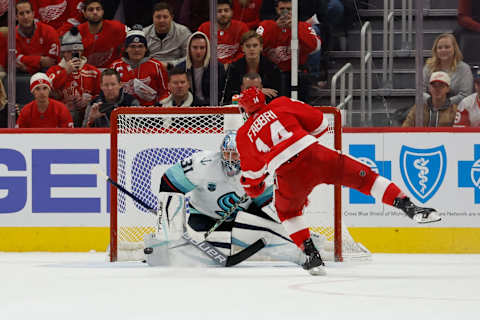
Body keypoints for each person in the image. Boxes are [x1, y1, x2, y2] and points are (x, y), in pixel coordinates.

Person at [236, 86, 441, 276]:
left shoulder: (244, 134)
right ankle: (410, 206)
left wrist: (259, 185)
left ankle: (312, 255)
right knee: (367, 179)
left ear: (244, 110)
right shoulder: (281, 103)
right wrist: (299, 140)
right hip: (317, 155)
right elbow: (321, 124)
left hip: (287, 174)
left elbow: (252, 182)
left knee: (287, 212)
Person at [148, 130, 324, 267]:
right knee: (195, 245)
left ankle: (302, 249)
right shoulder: (203, 164)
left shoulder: (258, 170)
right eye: (227, 154)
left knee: (269, 225)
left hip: (239, 220)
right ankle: (165, 243)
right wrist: (172, 227)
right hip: (203, 217)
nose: (231, 160)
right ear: (221, 152)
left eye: (235, 155)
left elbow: (272, 207)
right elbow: (169, 182)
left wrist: (287, 230)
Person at [256, 0, 320, 99]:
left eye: (289, 9)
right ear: (277, 10)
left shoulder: (304, 26)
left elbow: (314, 46)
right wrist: (275, 27)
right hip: (272, 74)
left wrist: (295, 29)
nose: (285, 12)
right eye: (282, 9)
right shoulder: (266, 25)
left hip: (297, 74)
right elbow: (256, 46)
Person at [47, 26, 101, 127]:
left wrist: (90, 100)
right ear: (63, 53)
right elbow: (47, 91)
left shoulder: (94, 72)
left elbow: (102, 96)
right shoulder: (53, 71)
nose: (73, 55)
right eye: (69, 52)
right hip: (60, 119)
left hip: (88, 118)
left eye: (76, 52)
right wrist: (66, 72)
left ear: (82, 51)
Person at [109, 26, 169, 106]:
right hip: (123, 112)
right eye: (133, 46)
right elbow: (108, 92)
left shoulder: (157, 66)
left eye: (140, 46)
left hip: (151, 111)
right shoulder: (115, 66)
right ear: (126, 49)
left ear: (146, 49)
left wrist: (158, 106)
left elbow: (165, 92)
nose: (137, 50)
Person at [224, 30, 281, 103]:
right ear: (242, 48)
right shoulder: (233, 68)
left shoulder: (272, 68)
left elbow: (275, 94)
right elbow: (230, 95)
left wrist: (247, 92)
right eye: (248, 46)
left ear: (261, 47)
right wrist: (258, 91)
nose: (251, 49)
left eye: (255, 45)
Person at [176, 31, 226, 106]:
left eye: (202, 48)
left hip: (212, 108)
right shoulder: (181, 68)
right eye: (195, 48)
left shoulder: (217, 68)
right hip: (188, 108)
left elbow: (219, 95)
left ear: (207, 49)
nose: (198, 51)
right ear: (189, 49)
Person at [423, 33, 473, 106]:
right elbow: (420, 92)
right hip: (431, 107)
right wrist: (431, 101)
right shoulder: (428, 67)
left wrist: (446, 102)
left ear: (454, 48)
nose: (443, 50)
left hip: (456, 108)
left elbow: (466, 95)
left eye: (447, 47)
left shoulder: (464, 68)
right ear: (435, 50)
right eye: (440, 48)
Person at [198, 0, 249, 67]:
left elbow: (245, 51)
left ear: (232, 12)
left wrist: (230, 64)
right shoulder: (204, 28)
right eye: (219, 11)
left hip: (235, 67)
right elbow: (199, 51)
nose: (223, 14)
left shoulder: (242, 27)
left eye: (226, 10)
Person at [78, 0, 127, 69]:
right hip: (86, 72)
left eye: (98, 9)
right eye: (91, 10)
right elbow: (75, 60)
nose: (95, 12)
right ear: (84, 13)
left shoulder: (117, 27)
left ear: (103, 12)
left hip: (112, 70)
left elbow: (127, 49)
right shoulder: (78, 32)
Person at [143, 2, 191, 70]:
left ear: (171, 17)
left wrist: (170, 65)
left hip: (176, 70)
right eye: (158, 17)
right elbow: (138, 57)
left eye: (165, 17)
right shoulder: (144, 33)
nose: (161, 20)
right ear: (153, 17)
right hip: (151, 69)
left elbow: (189, 56)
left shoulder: (183, 32)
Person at [15, 0, 59, 75]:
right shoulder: (12, 35)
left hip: (46, 72)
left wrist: (26, 65)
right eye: (21, 13)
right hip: (21, 72)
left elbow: (51, 62)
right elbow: (15, 60)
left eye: (28, 12)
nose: (25, 17)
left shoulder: (49, 31)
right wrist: (40, 59)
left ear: (33, 14)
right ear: (16, 17)